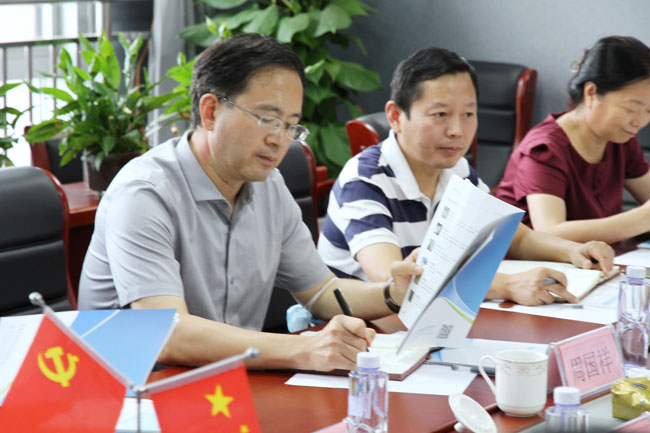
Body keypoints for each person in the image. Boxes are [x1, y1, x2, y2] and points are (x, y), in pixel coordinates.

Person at [77, 34, 422, 372]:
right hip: (129, 390)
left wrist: (393, 293)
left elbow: (322, 292)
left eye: (291, 126)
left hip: (224, 384)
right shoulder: (143, 194)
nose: (279, 140)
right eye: (267, 119)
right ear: (211, 111)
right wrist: (304, 348)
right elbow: (168, 333)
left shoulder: (270, 187)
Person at [318, 46, 614, 307]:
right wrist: (506, 285)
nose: (457, 131)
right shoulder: (364, 178)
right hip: (358, 332)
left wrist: (573, 251)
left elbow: (510, 236)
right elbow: (395, 279)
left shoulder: (456, 169)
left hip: (424, 321)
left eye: (468, 114)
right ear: (396, 116)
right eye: (440, 115)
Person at [494, 36, 650, 244]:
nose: (641, 121)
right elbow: (549, 232)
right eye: (631, 109)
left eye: (649, 111)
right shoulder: (544, 149)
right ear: (591, 92)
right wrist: (641, 219)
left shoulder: (620, 139)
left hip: (599, 261)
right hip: (533, 263)